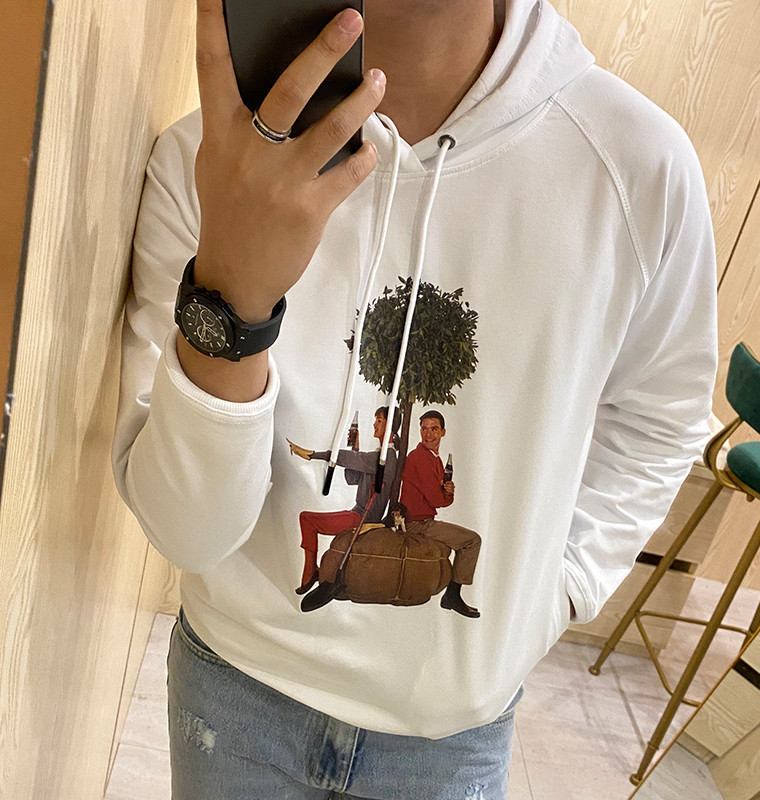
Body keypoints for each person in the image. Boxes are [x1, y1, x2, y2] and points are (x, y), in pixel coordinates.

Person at [112, 0, 718, 797]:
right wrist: (231, 298)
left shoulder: (636, 168)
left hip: (450, 731)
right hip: (234, 690)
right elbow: (188, 533)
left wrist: (561, 586)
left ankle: (451, 592)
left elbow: (661, 416)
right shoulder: (211, 163)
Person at [289, 406, 400, 594]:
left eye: (379, 421)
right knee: (306, 518)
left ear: (389, 426)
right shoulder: (378, 455)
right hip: (356, 512)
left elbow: (344, 458)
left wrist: (314, 455)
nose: (374, 424)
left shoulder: (386, 457)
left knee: (307, 519)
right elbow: (352, 478)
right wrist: (355, 447)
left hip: (363, 518)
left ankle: (310, 571)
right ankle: (312, 570)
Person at [400, 411, 482, 618]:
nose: (428, 434)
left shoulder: (434, 459)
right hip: (417, 523)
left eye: (434, 429)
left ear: (443, 432)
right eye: (424, 429)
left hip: (425, 520)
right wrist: (446, 494)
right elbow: (438, 500)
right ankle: (452, 595)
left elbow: (441, 499)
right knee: (472, 541)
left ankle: (452, 595)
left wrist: (447, 493)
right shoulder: (419, 458)